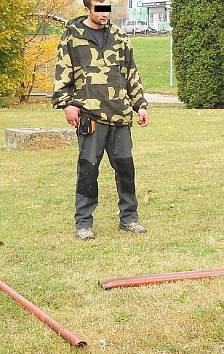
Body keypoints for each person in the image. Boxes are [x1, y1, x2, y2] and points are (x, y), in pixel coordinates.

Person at [52, 0, 151, 240]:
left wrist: (140, 105)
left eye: (107, 8)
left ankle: (129, 218)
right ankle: (83, 223)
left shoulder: (119, 36)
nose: (105, 13)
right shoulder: (72, 37)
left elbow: (131, 74)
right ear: (87, 10)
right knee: (88, 170)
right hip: (89, 115)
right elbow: (62, 73)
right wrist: (66, 105)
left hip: (119, 114)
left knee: (126, 169)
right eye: (100, 8)